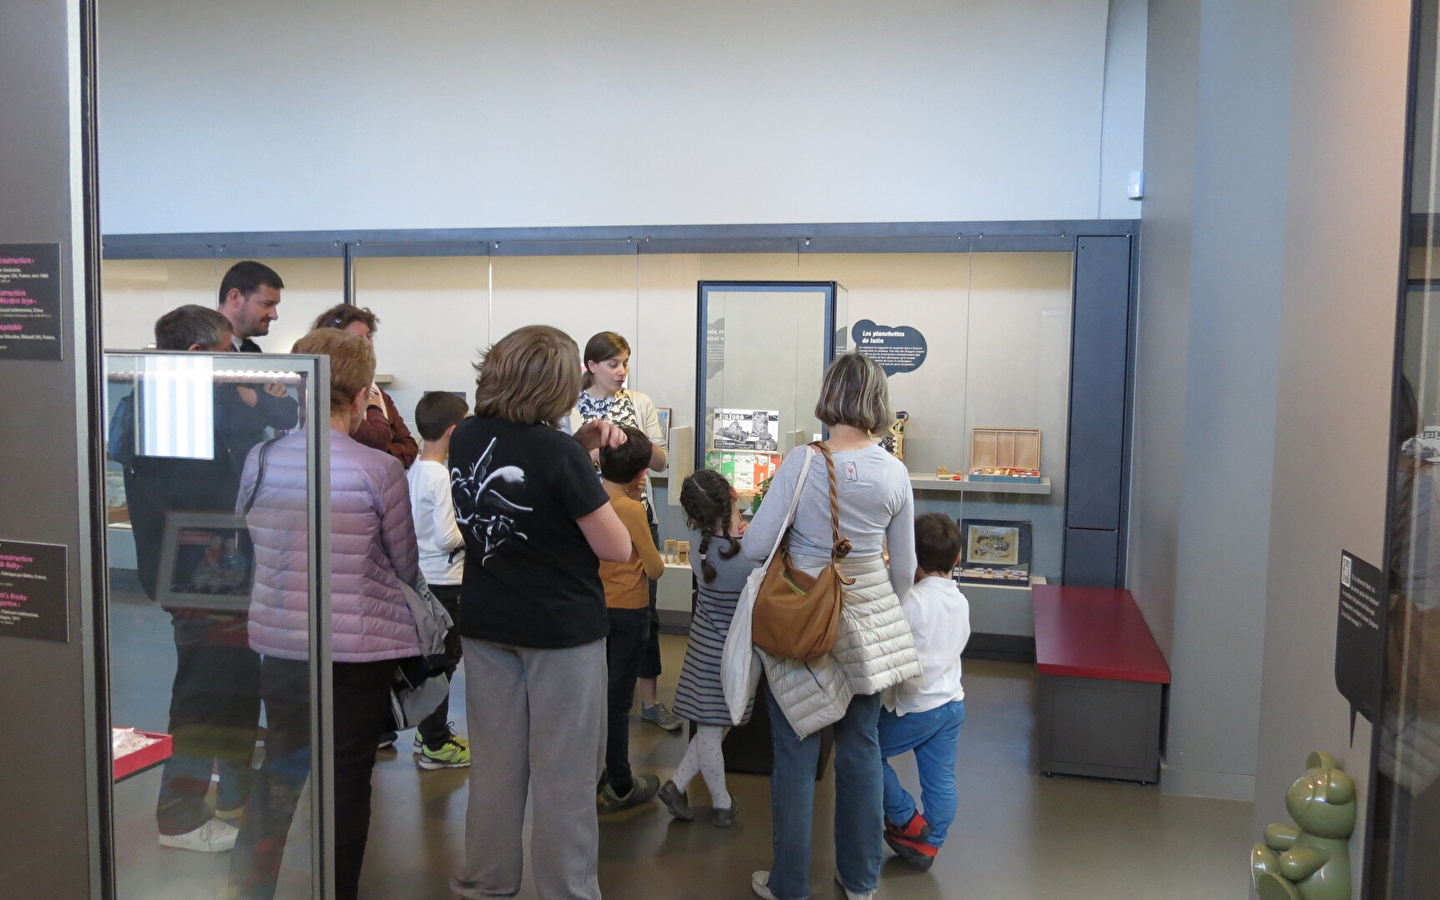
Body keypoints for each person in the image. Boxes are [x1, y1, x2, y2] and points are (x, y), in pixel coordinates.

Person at [227, 328, 424, 900]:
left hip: (282, 640)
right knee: (347, 781)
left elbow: (245, 535)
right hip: (360, 650)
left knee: (281, 767)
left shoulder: (262, 457)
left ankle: (250, 890)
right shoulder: (378, 469)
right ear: (363, 394)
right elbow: (405, 565)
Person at [449, 325, 631, 900]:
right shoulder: (558, 452)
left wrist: (576, 447)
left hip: (486, 622)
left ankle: (485, 883)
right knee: (566, 777)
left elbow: (525, 474)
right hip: (560, 632)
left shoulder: (466, 434)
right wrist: (583, 460)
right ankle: (567, 890)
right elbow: (616, 547)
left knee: (495, 770)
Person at [742, 352, 921, 900]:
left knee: (795, 752)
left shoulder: (803, 462)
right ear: (879, 401)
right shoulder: (893, 472)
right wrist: (876, 606)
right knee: (861, 749)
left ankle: (789, 884)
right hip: (867, 623)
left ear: (830, 396)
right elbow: (905, 569)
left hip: (801, 619)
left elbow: (754, 546)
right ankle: (860, 881)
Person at [121, 305, 262, 853]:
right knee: (202, 694)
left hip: (215, 573)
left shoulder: (176, 401)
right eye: (226, 355)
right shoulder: (171, 403)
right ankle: (178, 818)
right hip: (198, 577)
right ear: (199, 354)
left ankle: (232, 795)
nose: (233, 366)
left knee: (233, 685)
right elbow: (197, 495)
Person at [566, 331, 678, 732]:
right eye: (613, 364)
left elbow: (661, 461)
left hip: (637, 514)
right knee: (592, 608)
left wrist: (632, 445)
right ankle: (596, 700)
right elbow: (568, 461)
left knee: (645, 611)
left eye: (625, 363)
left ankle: (648, 700)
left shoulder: (640, 403)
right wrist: (593, 448)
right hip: (586, 518)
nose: (621, 371)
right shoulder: (571, 408)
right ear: (591, 366)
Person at [658, 468, 757, 828]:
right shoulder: (748, 557)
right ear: (731, 498)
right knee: (715, 731)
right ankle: (721, 803)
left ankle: (676, 786)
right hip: (732, 656)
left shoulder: (700, 552)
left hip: (703, 650)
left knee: (711, 728)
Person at [877, 513, 970, 870]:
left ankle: (905, 817)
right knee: (941, 781)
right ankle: (930, 845)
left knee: (865, 751)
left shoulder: (912, 601)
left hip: (915, 707)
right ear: (957, 558)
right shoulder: (960, 601)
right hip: (951, 704)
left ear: (910, 556)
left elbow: (892, 651)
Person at [596, 426, 666, 812]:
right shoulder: (632, 509)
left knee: (596, 695)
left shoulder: (590, 499)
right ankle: (620, 782)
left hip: (595, 609)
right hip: (629, 610)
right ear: (640, 473)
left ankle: (595, 774)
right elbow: (655, 568)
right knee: (620, 700)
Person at [405, 390, 472, 769]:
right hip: (446, 580)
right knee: (445, 660)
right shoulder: (442, 476)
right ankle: (436, 744)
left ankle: (427, 731)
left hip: (423, 578)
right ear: (453, 431)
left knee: (433, 658)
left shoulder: (414, 469)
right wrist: (473, 530)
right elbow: (448, 537)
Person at [313, 303, 419, 469]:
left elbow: (410, 447)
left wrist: (377, 457)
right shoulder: (331, 393)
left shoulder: (379, 394)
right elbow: (375, 440)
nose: (368, 344)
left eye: (369, 336)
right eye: (358, 339)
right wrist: (374, 409)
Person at [214, 260, 299, 444]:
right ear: (235, 297)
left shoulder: (252, 350)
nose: (274, 315)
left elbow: (288, 415)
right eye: (267, 304)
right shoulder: (201, 345)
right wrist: (264, 399)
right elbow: (225, 417)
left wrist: (252, 398)